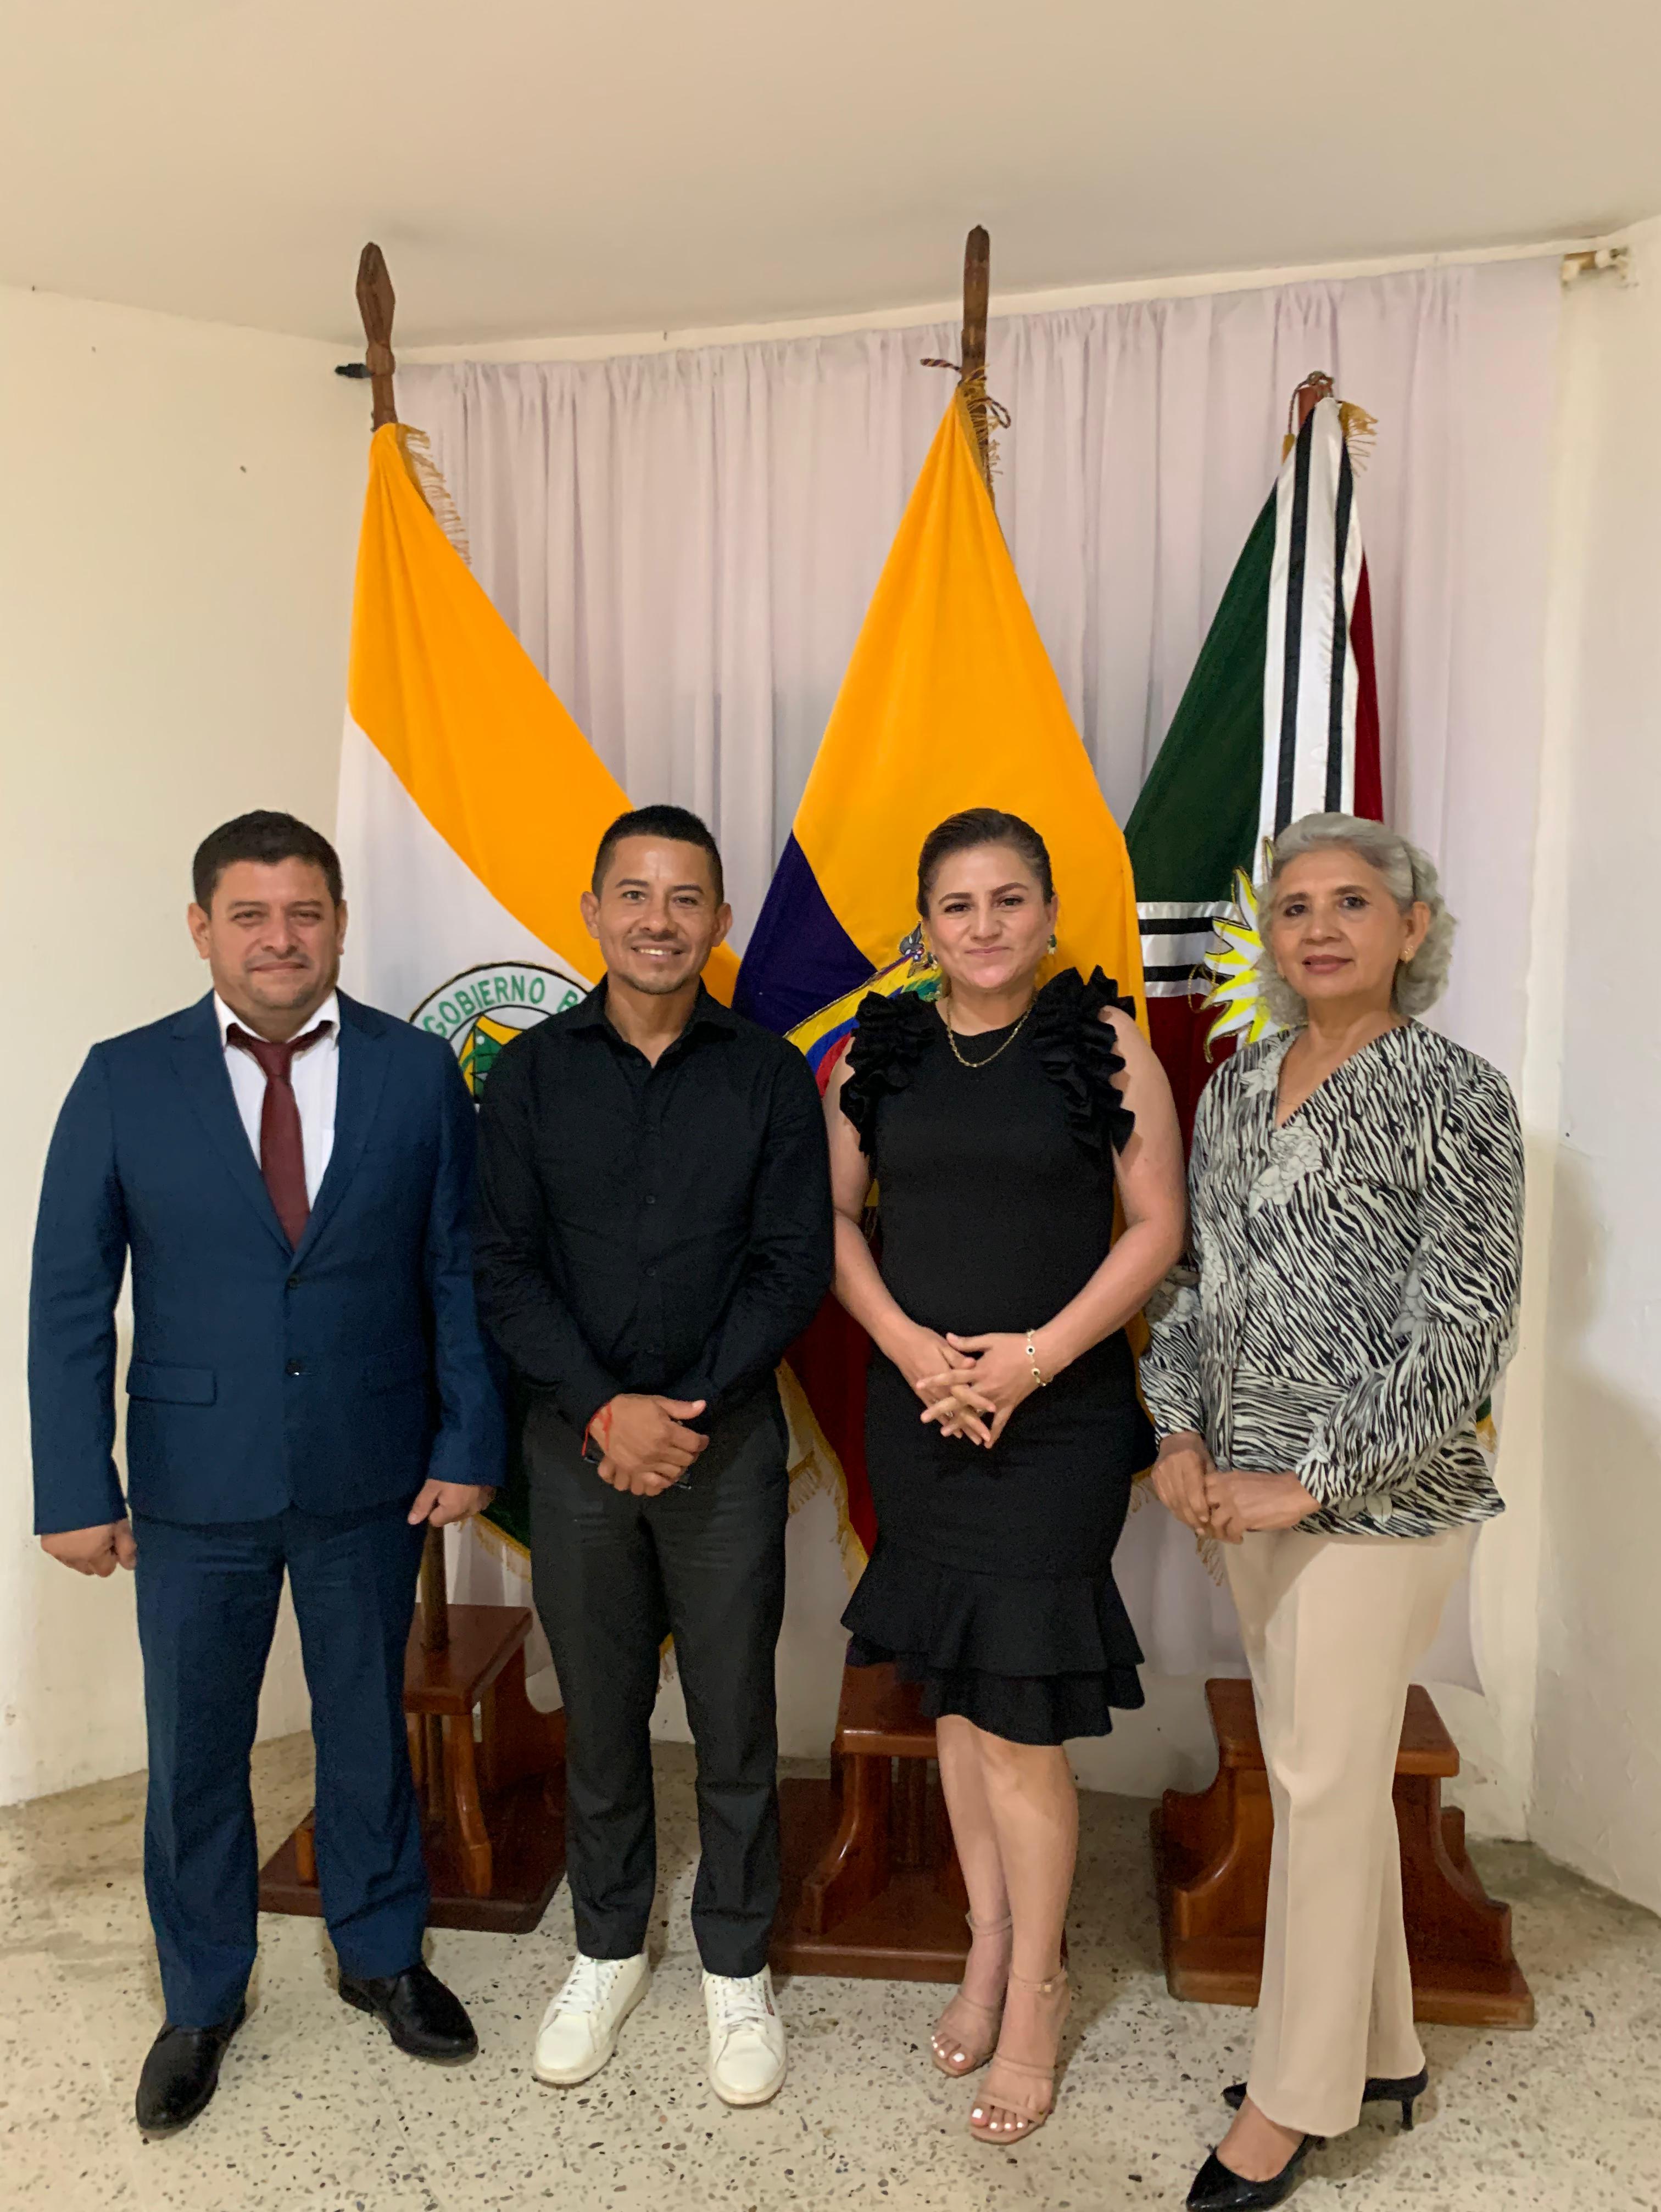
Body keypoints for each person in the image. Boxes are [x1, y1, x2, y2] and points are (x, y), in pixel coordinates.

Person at [29, 811, 503, 2137]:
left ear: (339, 925)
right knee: (195, 1752)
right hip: (193, 1485)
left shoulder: (417, 1072)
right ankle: (200, 1997)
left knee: (366, 1731)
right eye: (250, 915)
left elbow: (455, 1269)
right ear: (202, 930)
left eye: (304, 914)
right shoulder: (124, 1078)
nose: (279, 939)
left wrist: (469, 1440)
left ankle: (382, 1956)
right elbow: (69, 1297)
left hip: (372, 1470)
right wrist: (74, 1485)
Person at [1142, 812, 1525, 2212]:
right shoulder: (1239, 1087)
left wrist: (1312, 1477)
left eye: (1352, 903)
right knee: (1330, 1775)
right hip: (1240, 1500)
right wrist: (1176, 1428)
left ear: (1410, 930)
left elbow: (1466, 1333)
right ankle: (1385, 2050)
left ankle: (1293, 2105)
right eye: (1295, 905)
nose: (1319, 927)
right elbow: (1196, 1287)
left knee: (1315, 1786)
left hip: (1380, 1505)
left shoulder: (1457, 1095)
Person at [822, 807, 1185, 2146]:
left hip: (1056, 1423)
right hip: (920, 1414)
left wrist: (1031, 1361)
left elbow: (1157, 1227)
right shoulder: (879, 1052)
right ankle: (987, 1944)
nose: (984, 926)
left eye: (1009, 900)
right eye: (957, 905)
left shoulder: (1107, 1047)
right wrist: (916, 1350)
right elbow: (832, 1221)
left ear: (1047, 914)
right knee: (959, 1706)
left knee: (1022, 1723)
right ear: (924, 927)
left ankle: (1037, 1989)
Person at [473, 803, 832, 2109]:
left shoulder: (768, 1075)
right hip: (575, 1448)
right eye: (634, 894)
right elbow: (501, 1265)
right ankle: (609, 1947)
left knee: (736, 1714)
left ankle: (735, 1964)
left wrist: (678, 1410)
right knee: (602, 1709)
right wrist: (601, 1411)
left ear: (720, 921)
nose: (658, 921)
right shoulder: (528, 1076)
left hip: (722, 1446)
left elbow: (792, 1264)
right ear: (593, 911)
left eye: (686, 899)